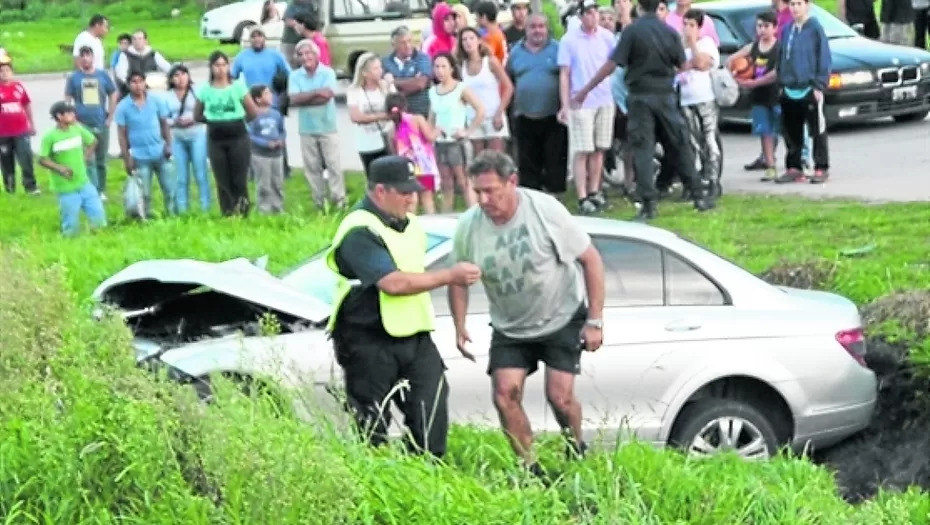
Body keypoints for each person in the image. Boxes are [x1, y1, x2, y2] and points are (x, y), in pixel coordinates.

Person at [448, 149, 606, 477]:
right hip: (511, 324)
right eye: (478, 191)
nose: (484, 199)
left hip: (561, 314)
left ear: (512, 182)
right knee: (505, 394)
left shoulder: (544, 210)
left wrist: (595, 320)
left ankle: (576, 447)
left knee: (559, 397)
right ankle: (530, 468)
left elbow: (590, 260)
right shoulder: (469, 226)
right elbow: (458, 278)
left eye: (491, 190)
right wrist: (459, 325)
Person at [325, 155, 482, 458]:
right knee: (372, 424)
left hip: (414, 334)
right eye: (405, 192)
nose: (413, 199)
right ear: (380, 191)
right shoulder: (359, 229)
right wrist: (450, 275)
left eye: (414, 190)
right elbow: (393, 284)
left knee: (432, 409)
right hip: (366, 339)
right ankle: (378, 485)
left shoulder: (410, 224)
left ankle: (427, 472)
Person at [574, 0, 714, 221]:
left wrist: (585, 90)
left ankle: (648, 204)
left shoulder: (632, 32)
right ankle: (698, 195)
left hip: (640, 96)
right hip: (666, 95)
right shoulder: (669, 32)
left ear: (639, 7)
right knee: (680, 143)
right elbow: (680, 65)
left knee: (643, 149)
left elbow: (613, 64)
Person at [558, 0, 616, 215]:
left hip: (604, 99)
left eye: (595, 12)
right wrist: (564, 104)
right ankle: (582, 195)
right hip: (580, 101)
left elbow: (614, 66)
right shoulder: (569, 40)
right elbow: (565, 74)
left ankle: (594, 191)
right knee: (582, 149)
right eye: (589, 13)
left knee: (600, 148)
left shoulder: (607, 37)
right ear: (581, 16)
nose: (593, 16)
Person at [506, 13, 568, 195]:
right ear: (526, 29)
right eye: (533, 27)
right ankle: (531, 197)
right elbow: (508, 79)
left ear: (547, 28)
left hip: (552, 115)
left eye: (541, 26)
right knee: (527, 162)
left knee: (555, 159)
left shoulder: (557, 49)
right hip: (524, 116)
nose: (537, 30)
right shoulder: (516, 52)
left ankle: (555, 197)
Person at [194, 51, 259, 216]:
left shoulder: (237, 86)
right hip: (216, 137)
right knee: (222, 178)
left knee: (239, 177)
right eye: (217, 65)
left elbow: (252, 111)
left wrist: (236, 120)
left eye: (224, 65)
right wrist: (214, 119)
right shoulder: (205, 89)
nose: (221, 69)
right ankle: (227, 212)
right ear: (211, 67)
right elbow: (197, 114)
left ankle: (243, 210)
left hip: (237, 135)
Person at [775, 0, 831, 184]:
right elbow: (782, 56)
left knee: (817, 130)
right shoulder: (786, 29)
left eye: (799, 3)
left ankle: (821, 167)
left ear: (807, 5)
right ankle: (794, 167)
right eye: (792, 4)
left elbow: (824, 57)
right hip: (789, 88)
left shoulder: (815, 29)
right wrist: (781, 82)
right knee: (791, 131)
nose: (795, 8)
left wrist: (818, 85)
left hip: (809, 87)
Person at [288, 38, 346, 211]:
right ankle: (319, 202)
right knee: (312, 168)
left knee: (333, 165)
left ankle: (339, 200)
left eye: (308, 53)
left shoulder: (327, 73)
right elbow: (294, 99)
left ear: (316, 55)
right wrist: (316, 92)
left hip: (327, 126)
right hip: (306, 128)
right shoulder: (295, 75)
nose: (305, 57)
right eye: (301, 54)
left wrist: (307, 97)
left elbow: (326, 98)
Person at [38, 102, 107, 237]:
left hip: (83, 181)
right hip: (65, 187)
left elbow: (93, 141)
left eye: (72, 112)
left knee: (98, 215)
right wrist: (59, 168)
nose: (73, 115)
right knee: (71, 223)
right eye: (69, 113)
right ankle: (70, 242)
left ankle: (98, 237)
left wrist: (85, 157)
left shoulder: (77, 129)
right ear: (59, 116)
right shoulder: (50, 137)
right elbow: (42, 159)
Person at [428, 53, 485, 212]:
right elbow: (432, 117)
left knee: (464, 181)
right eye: (437, 67)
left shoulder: (460, 88)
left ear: (452, 68)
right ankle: (446, 214)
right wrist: (430, 133)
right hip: (440, 142)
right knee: (446, 182)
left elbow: (480, 109)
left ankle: (473, 213)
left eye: (443, 66)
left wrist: (467, 131)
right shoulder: (433, 91)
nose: (440, 71)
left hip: (456, 142)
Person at [728, 10, 781, 182]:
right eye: (759, 26)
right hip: (759, 97)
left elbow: (776, 73)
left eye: (766, 26)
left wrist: (755, 82)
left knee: (782, 130)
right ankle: (770, 165)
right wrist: (735, 74)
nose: (762, 30)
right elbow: (730, 60)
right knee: (764, 132)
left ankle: (797, 162)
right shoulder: (753, 47)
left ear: (775, 28)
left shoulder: (779, 47)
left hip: (777, 95)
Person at [116, 71, 176, 218]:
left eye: (140, 81)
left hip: (160, 152)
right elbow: (122, 135)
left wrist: (169, 145)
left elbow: (164, 124)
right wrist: (126, 158)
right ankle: (146, 218)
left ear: (145, 83)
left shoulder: (155, 100)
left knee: (170, 189)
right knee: (145, 193)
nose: (137, 86)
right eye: (134, 82)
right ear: (129, 85)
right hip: (139, 156)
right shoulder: (123, 106)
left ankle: (172, 215)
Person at [65, 46, 117, 198]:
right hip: (82, 124)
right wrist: (71, 118)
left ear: (93, 57)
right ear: (79, 59)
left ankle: (102, 189)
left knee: (101, 159)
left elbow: (113, 94)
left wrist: (110, 117)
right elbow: (67, 98)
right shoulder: (74, 78)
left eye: (88, 55)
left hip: (101, 122)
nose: (86, 59)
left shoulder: (102, 75)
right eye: (83, 56)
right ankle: (93, 189)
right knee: (89, 160)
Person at [678, 9, 722, 192]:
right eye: (685, 24)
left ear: (700, 27)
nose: (688, 28)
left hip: (705, 98)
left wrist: (693, 45)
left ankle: (713, 180)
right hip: (685, 99)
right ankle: (695, 181)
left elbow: (704, 63)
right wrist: (691, 63)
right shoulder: (678, 45)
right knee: (691, 141)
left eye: (692, 25)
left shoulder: (707, 43)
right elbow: (676, 67)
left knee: (709, 139)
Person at [458, 27, 514, 155]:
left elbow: (508, 87)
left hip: (493, 116)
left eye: (471, 38)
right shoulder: (462, 66)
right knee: (479, 162)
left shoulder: (490, 61)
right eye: (464, 40)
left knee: (495, 160)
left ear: (479, 41)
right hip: (473, 118)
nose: (468, 42)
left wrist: (500, 112)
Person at [165, 64, 211, 213]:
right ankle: (183, 209)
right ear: (171, 79)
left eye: (183, 74)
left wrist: (193, 119)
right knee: (181, 176)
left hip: (196, 134)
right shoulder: (168, 96)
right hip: (178, 137)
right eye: (176, 75)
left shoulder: (197, 91)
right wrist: (174, 122)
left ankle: (205, 208)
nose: (181, 78)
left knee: (200, 173)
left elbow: (207, 111)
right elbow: (164, 118)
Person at [385, 92, 441, 214]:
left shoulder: (391, 131)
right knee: (427, 197)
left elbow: (394, 153)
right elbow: (430, 137)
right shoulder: (417, 119)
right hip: (423, 165)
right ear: (405, 106)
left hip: (406, 168)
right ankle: (431, 222)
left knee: (411, 198)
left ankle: (411, 223)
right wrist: (438, 130)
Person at [347, 52, 395, 175]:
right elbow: (356, 117)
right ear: (364, 72)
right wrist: (384, 116)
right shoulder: (354, 91)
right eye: (375, 68)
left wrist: (390, 85)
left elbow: (397, 109)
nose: (380, 71)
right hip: (366, 143)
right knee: (373, 178)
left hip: (387, 142)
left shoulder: (386, 87)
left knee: (390, 178)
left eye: (380, 67)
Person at [0, 55, 38, 195]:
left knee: (25, 158)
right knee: (6, 162)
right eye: (1, 71)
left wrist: (31, 124)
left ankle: (31, 187)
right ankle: (10, 188)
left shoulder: (19, 87)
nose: (4, 73)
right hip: (3, 133)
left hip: (21, 130)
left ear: (12, 72)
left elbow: (26, 104)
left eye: (7, 70)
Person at [247, 85, 287, 215]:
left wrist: (281, 140)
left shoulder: (276, 114)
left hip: (277, 154)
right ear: (258, 99)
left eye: (270, 93)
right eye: (266, 94)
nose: (270, 96)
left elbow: (282, 130)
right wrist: (265, 143)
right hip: (260, 155)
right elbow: (250, 135)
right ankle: (264, 209)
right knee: (264, 184)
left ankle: (277, 207)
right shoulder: (252, 115)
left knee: (277, 183)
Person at [381, 25, 433, 118]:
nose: (408, 45)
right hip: (397, 117)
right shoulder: (385, 62)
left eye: (409, 41)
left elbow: (420, 84)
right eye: (403, 43)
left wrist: (393, 82)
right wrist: (412, 81)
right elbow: (384, 89)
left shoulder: (422, 58)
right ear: (394, 44)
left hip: (420, 114)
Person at [113, 29, 172, 96]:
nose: (137, 41)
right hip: (133, 90)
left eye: (140, 39)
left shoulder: (153, 54)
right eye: (134, 39)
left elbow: (168, 68)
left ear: (145, 41)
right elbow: (121, 75)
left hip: (152, 89)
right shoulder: (124, 55)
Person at [281, 0, 318, 68]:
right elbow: (287, 20)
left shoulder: (311, 5)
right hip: (290, 42)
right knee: (290, 65)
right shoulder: (293, 4)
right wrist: (298, 24)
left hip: (305, 41)